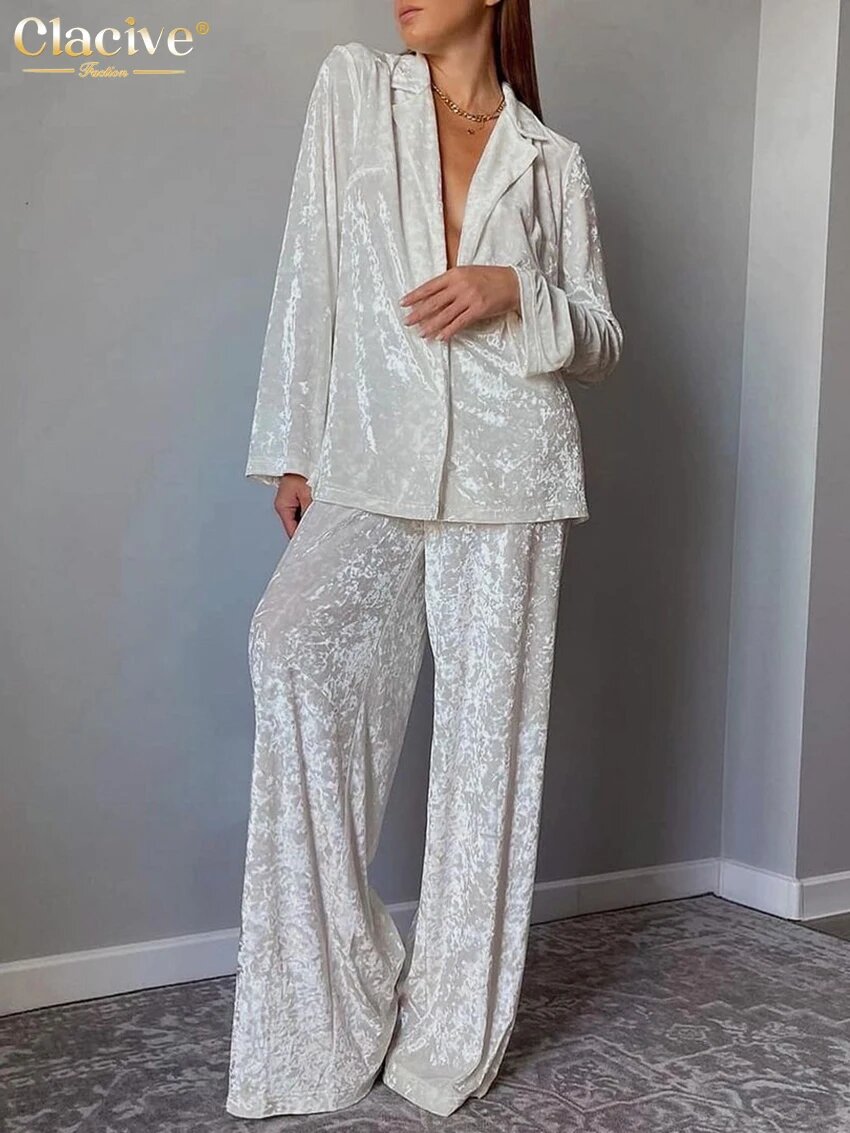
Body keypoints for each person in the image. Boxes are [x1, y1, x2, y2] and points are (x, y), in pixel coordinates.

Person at [226, 0, 623, 1120]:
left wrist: (516, 290)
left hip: (511, 472)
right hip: (373, 458)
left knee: (487, 757)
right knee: (291, 648)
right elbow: (310, 265)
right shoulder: (355, 91)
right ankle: (336, 994)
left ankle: (451, 1036)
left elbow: (600, 338)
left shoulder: (550, 159)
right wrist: (297, 447)